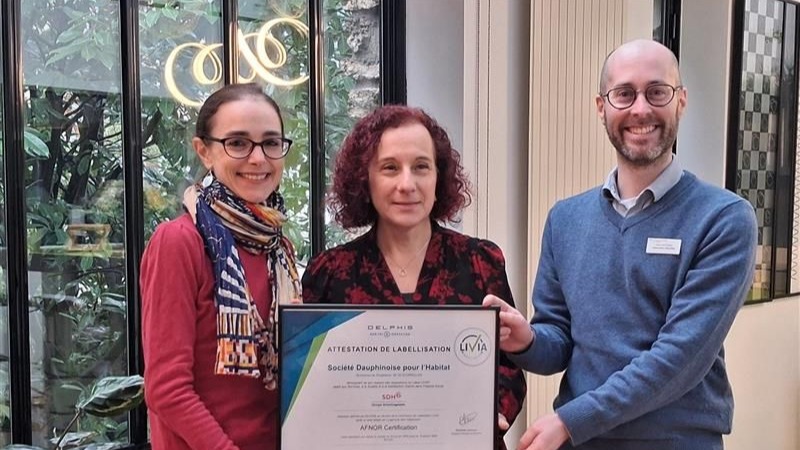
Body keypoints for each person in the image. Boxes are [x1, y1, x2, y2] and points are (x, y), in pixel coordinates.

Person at [484, 39, 758, 450]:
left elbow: (680, 358)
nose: (640, 109)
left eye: (657, 91)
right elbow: (559, 341)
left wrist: (571, 420)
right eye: (624, 94)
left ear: (681, 101)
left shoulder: (723, 219)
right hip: (582, 441)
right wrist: (527, 341)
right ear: (602, 107)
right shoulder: (565, 219)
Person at [301, 104, 527, 449]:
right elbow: (311, 382)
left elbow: (508, 365)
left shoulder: (480, 261)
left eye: (421, 167)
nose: (407, 184)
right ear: (365, 180)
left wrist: (492, 412)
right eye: (390, 168)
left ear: (439, 178)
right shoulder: (328, 273)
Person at [140, 83, 301, 450]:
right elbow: (167, 390)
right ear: (204, 151)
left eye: (271, 143)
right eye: (238, 143)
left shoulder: (279, 248)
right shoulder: (180, 242)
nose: (258, 158)